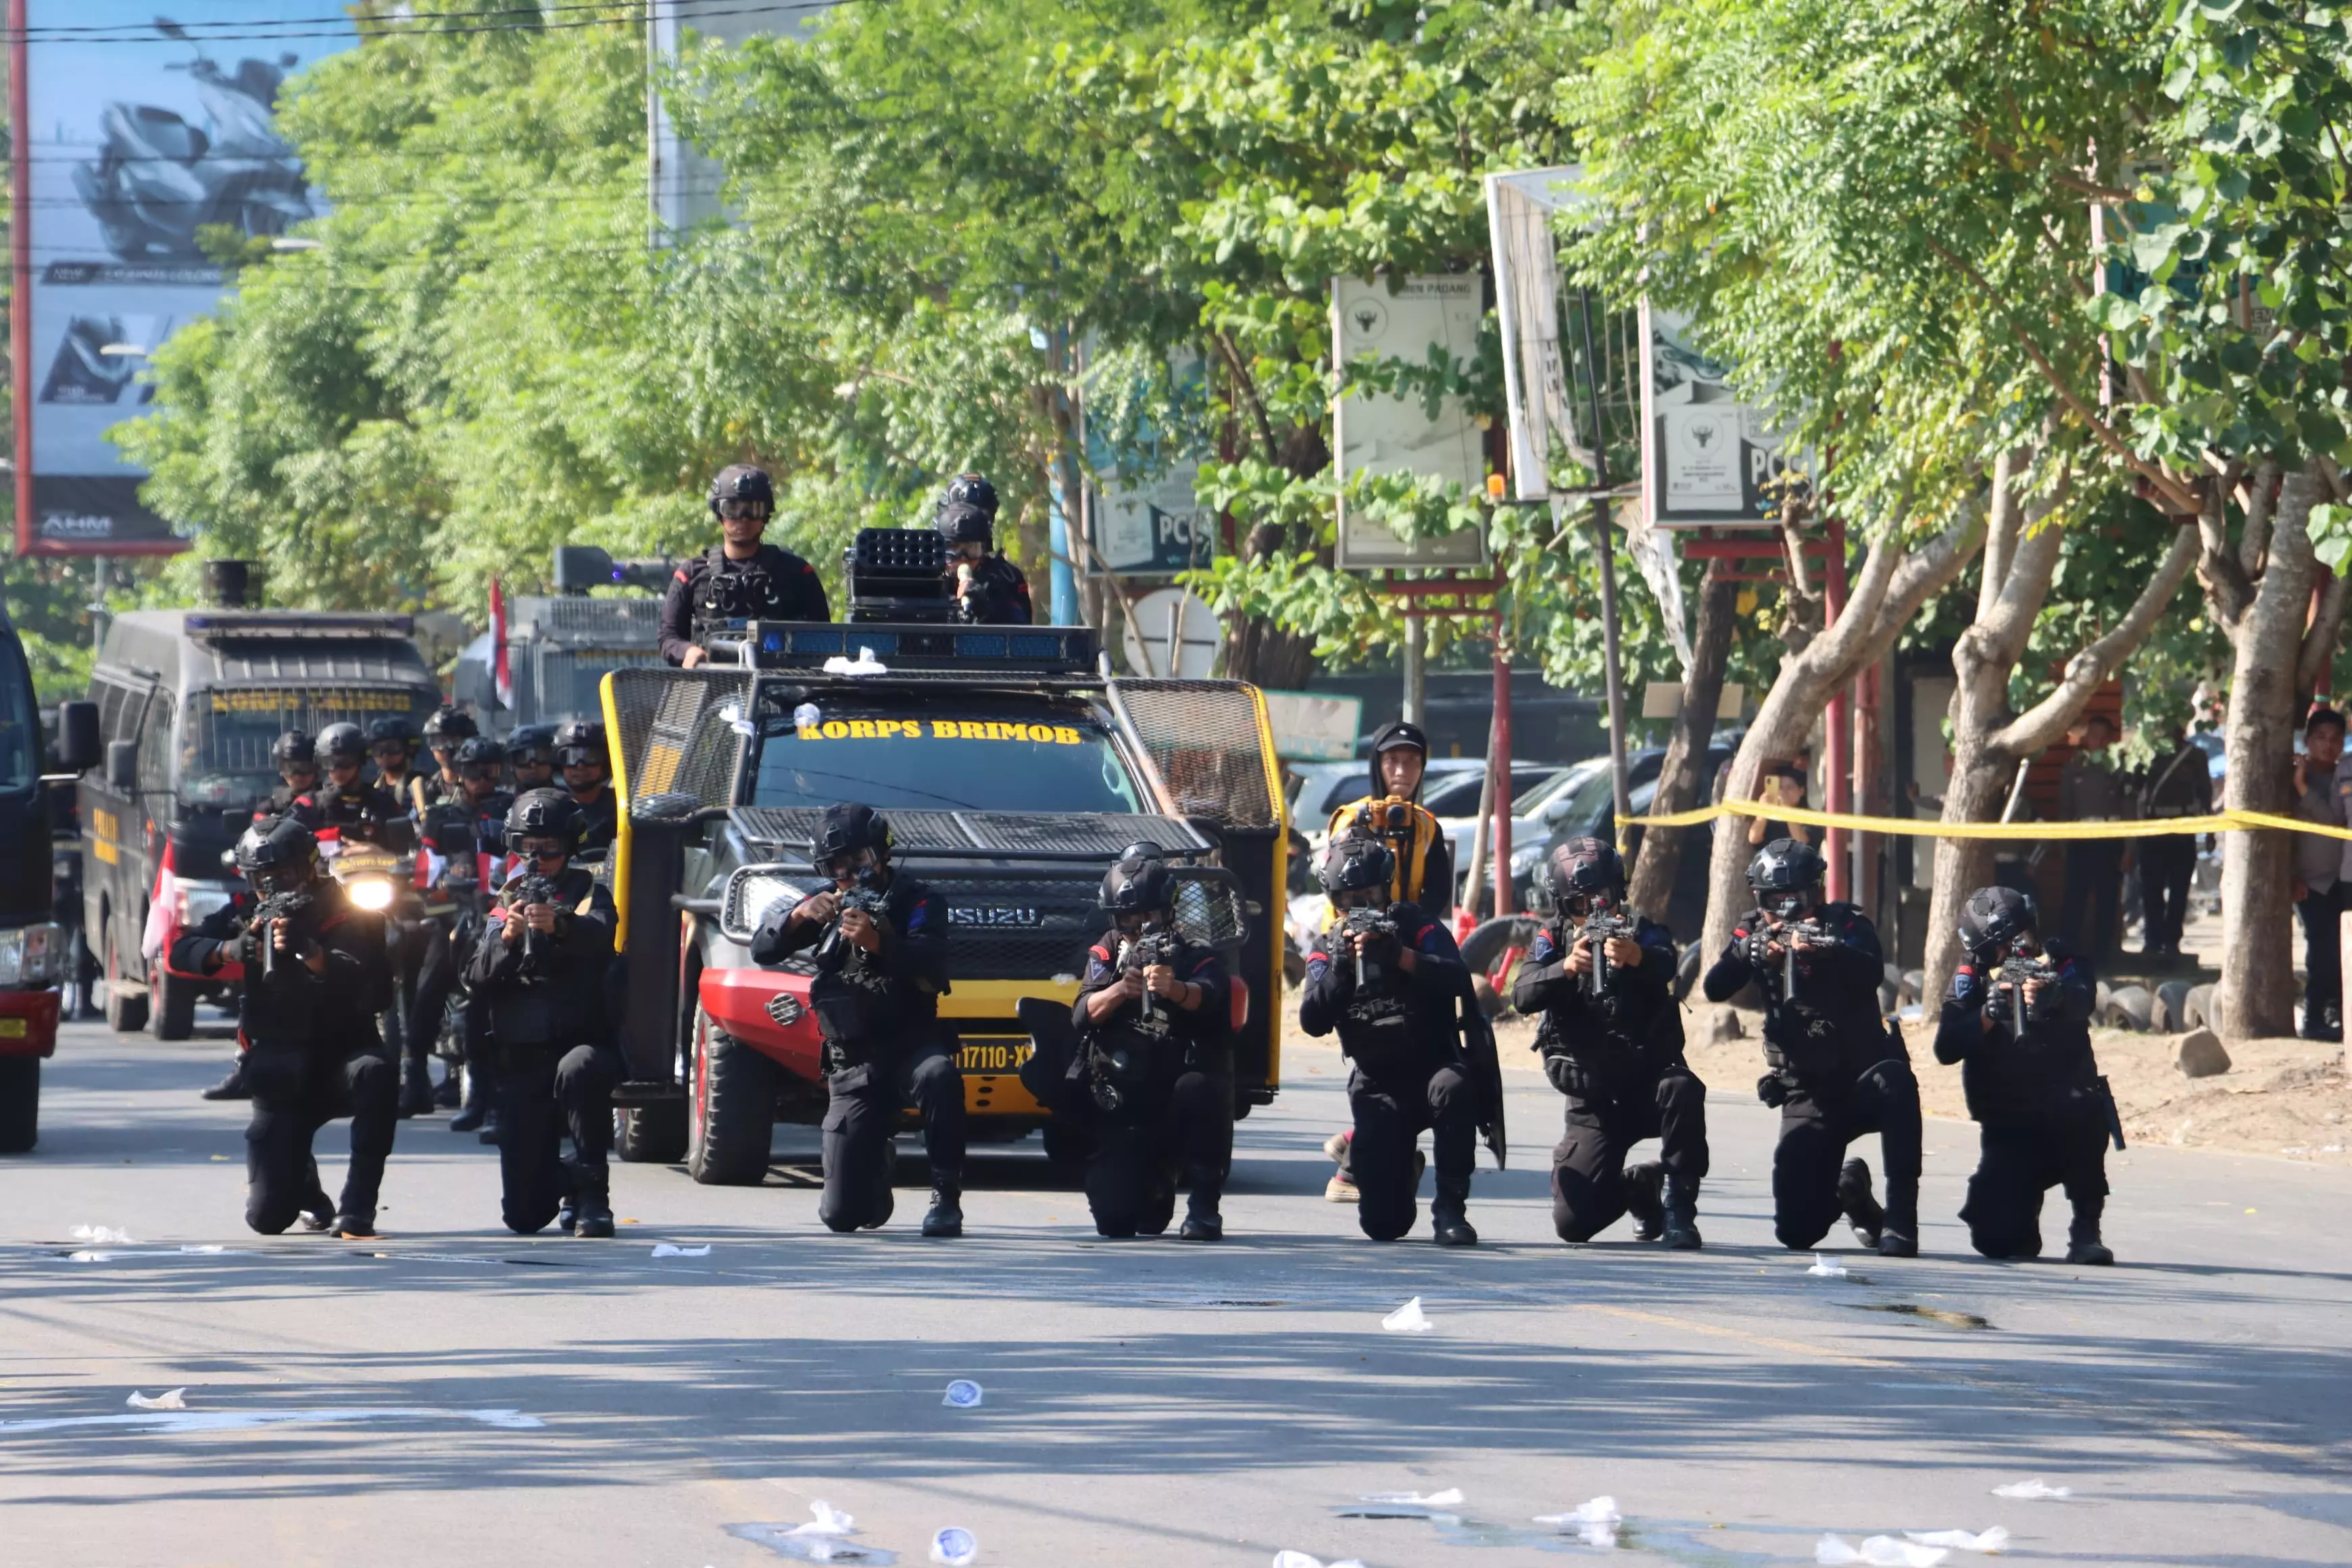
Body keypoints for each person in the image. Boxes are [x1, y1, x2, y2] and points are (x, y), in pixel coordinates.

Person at [171, 816, 397, 1238]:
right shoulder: (245, 911)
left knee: (378, 1072)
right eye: (261, 878)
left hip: (342, 1057)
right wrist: (231, 949)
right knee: (268, 1220)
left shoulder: (346, 909)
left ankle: (357, 1209)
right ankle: (307, 1190)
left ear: (310, 868)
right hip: (281, 1069)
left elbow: (367, 979)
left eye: (285, 875)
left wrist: (312, 953)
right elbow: (179, 951)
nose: (273, 886)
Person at [752, 803, 964, 1235]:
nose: (849, 874)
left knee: (939, 1075)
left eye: (858, 861)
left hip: (911, 1044)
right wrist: (798, 917)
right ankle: (873, 1166)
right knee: (843, 1216)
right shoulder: (826, 900)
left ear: (881, 854)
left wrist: (879, 941)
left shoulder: (919, 900)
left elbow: (933, 965)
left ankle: (946, 1195)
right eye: (836, 866)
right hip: (855, 1059)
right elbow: (762, 950)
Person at [1703, 837, 1921, 1256]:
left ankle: (1900, 1221)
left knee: (1897, 1082)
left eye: (1797, 899)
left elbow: (1872, 969)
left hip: (1862, 1078)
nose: (1786, 910)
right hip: (1808, 1089)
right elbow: (1715, 987)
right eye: (1774, 900)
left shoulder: (1845, 924)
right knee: (1797, 1232)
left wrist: (1826, 953)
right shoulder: (1753, 928)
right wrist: (1747, 954)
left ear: (1815, 894)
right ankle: (1851, 1192)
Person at [1513, 838, 1706, 1249]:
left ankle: (1679, 1210)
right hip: (1593, 1102)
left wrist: (1635, 956)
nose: (1593, 910)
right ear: (1564, 906)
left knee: (1682, 1087)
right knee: (1574, 1224)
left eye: (1601, 898)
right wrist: (1565, 968)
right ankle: (1639, 1187)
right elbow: (1523, 994)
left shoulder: (1643, 929)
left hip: (1647, 1087)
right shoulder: (1554, 938)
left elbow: (1668, 961)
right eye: (1580, 904)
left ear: (1618, 892)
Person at [1298, 836, 1479, 1245]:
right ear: (1334, 901)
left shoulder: (1420, 927)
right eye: (1349, 899)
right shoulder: (1326, 948)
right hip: (1378, 1083)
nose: (1361, 908)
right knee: (1384, 1226)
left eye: (1370, 896)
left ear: (1386, 891)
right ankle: (1399, 1166)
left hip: (1433, 1066)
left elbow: (1458, 979)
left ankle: (1451, 1208)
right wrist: (1340, 974)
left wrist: (1403, 958)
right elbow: (1312, 1022)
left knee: (1456, 1086)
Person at [463, 789, 622, 1237]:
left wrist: (561, 924)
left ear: (570, 846)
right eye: (527, 847)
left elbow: (601, 935)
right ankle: (569, 1178)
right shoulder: (504, 898)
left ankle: (593, 1195)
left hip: (579, 1041)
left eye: (550, 847)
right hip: (521, 1058)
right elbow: (474, 975)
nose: (539, 858)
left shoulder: (590, 891)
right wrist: (507, 939)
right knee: (523, 1217)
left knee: (581, 1069)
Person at [1935, 887, 2115, 1264]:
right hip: (2010, 1126)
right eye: (1998, 949)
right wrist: (1987, 1014)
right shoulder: (1971, 976)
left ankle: (2086, 1227)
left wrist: (2053, 996)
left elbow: (2084, 996)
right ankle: (2022, 1209)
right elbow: (1946, 1047)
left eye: (2020, 940)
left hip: (2066, 1119)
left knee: (2085, 1108)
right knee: (1997, 1240)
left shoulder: (2064, 960)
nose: (2013, 953)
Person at [1063, 845, 1233, 1240]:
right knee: (1119, 1222)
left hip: (1178, 1092)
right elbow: (1081, 1012)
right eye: (1128, 920)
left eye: (1148, 918)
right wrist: (1121, 988)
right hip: (1128, 1101)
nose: (1139, 928)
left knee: (1201, 1087)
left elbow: (1212, 994)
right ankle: (1156, 1181)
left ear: (1167, 913)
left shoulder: (1195, 953)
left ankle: (1205, 1202)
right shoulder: (1107, 949)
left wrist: (1175, 990)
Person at [1319, 720, 1454, 1202]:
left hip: (1405, 945)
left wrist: (1410, 935)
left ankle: (1362, 1149)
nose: (1402, 770)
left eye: (1412, 762)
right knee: (1373, 1052)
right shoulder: (1349, 816)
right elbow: (1337, 879)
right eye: (1393, 761)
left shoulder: (1426, 826)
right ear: (1378, 766)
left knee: (1422, 1047)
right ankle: (1363, 1151)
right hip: (1353, 946)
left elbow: (1438, 894)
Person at [410, 735, 514, 1135]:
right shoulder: (440, 815)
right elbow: (425, 869)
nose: (483, 779)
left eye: (491, 772)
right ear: (462, 772)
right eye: (475, 771)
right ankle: (416, 1075)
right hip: (454, 916)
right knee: (429, 986)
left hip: (500, 917)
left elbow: (523, 861)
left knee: (487, 1009)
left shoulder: (512, 810)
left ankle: (491, 1102)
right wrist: (444, 881)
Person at [659, 464, 832, 666]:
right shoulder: (691, 573)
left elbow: (824, 637)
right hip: (710, 686)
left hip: (780, 689)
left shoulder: (798, 573)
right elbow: (668, 637)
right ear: (719, 513)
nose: (743, 519)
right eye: (732, 509)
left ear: (766, 515)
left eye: (753, 509)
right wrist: (688, 652)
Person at [2057, 714, 2132, 960]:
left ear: (2111, 739)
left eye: (2103, 737)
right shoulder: (2073, 766)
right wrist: (2063, 845)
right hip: (2080, 841)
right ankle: (2068, 951)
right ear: (2085, 738)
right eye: (2093, 736)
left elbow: (2130, 809)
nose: (2097, 742)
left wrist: (2130, 848)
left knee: (2107, 897)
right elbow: (2065, 809)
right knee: (2074, 895)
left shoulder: (2120, 767)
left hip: (2110, 841)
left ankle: (2104, 951)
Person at [2137, 725, 2213, 964]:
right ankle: (2152, 940)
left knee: (2179, 890)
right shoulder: (2147, 753)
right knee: (2152, 889)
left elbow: (2205, 793)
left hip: (2183, 830)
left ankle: (2172, 941)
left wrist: (2209, 830)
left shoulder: (2194, 755)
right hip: (2152, 829)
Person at [2293, 709, 2345, 1040]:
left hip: (2344, 879)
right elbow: (2284, 836)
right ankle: (2313, 1020)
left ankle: (2337, 1015)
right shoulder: (2291, 778)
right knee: (2321, 953)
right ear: (2308, 741)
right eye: (2321, 738)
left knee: (2342, 952)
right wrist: (2291, 875)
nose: (2328, 745)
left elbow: (2337, 821)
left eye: (2336, 739)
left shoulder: (2346, 776)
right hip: (2309, 881)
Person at [934, 472, 1033, 625]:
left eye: (971, 548)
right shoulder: (927, 573)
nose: (963, 557)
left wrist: (987, 605)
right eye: (954, 547)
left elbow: (1023, 631)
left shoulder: (1006, 577)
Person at [308, 722, 412, 850]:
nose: (338, 770)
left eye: (345, 763)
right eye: (330, 763)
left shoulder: (385, 803)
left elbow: (406, 853)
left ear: (360, 760)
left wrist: (373, 850)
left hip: (375, 868)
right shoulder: (311, 803)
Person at [555, 719, 618, 858]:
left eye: (590, 756)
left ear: (605, 763)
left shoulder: (622, 805)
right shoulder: (552, 809)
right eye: (571, 757)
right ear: (560, 765)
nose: (580, 766)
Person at [411, 707, 479, 816]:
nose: (447, 748)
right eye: (440, 741)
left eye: (455, 740)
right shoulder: (425, 789)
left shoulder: (480, 784)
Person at [1746, 760, 1813, 848]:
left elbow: (1803, 842)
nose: (1783, 792)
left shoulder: (1809, 815)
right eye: (1780, 788)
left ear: (1801, 791)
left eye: (1789, 788)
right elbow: (1753, 839)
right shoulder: (1771, 817)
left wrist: (1787, 809)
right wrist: (1762, 812)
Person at [366, 715, 423, 800]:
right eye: (378, 749)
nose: (385, 755)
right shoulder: (370, 790)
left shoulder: (424, 786)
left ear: (409, 749)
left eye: (392, 748)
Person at [502, 724, 558, 795]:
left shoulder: (567, 800)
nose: (533, 765)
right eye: (523, 758)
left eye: (540, 757)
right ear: (512, 764)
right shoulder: (502, 803)